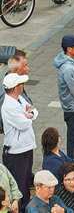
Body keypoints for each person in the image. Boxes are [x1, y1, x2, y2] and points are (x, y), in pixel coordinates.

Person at [2, 73, 36, 208]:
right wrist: (28, 115)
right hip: (16, 153)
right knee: (20, 189)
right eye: (21, 84)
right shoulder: (9, 106)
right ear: (15, 88)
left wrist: (29, 114)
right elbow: (24, 124)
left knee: (26, 183)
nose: (23, 86)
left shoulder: (19, 99)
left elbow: (33, 110)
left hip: (26, 148)